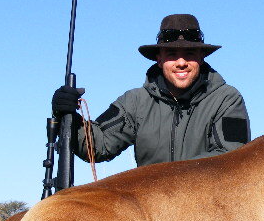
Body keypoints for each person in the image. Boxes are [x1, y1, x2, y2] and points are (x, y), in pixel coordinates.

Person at [52, 14, 251, 167]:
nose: (181, 63)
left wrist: (162, 182)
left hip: (206, 211)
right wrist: (68, 118)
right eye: (172, 54)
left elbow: (231, 158)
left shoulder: (227, 99)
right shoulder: (135, 101)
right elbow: (97, 146)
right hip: (150, 213)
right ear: (159, 58)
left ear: (201, 57)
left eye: (189, 54)